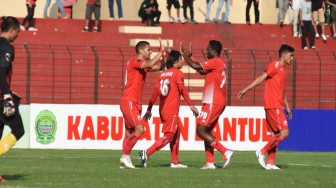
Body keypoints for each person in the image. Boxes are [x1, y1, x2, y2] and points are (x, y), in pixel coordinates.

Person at [139, 49, 199, 168]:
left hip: (163, 109)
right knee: (170, 135)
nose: (182, 62)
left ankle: (175, 162)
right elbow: (182, 90)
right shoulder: (177, 73)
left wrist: (149, 109)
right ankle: (146, 152)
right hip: (171, 110)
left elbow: (155, 93)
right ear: (176, 61)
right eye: (181, 60)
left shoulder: (162, 75)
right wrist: (191, 105)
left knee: (176, 133)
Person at [238, 44, 294, 170]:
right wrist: (246, 89)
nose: (292, 58)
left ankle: (270, 163)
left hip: (277, 105)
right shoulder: (275, 66)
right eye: (290, 55)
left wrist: (288, 107)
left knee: (275, 134)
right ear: (283, 55)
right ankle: (261, 152)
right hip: (273, 105)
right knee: (284, 132)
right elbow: (261, 78)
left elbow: (282, 91)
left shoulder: (283, 72)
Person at [180, 40, 234, 169]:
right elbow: (202, 71)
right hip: (215, 101)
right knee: (207, 132)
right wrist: (191, 56)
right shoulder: (218, 63)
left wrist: (183, 55)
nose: (206, 51)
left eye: (208, 49)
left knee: (200, 130)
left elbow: (195, 66)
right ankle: (210, 162)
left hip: (213, 101)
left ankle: (226, 151)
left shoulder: (215, 62)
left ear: (214, 51)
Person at [119, 39, 166, 169]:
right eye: (149, 50)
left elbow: (159, 67)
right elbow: (151, 63)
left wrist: (165, 55)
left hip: (136, 103)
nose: (151, 52)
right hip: (129, 101)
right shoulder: (134, 61)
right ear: (140, 51)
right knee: (140, 129)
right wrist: (161, 51)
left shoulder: (142, 66)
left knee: (129, 133)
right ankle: (125, 156)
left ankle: (124, 162)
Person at [0, 16, 26, 181]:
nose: (17, 36)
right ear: (12, 30)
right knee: (19, 129)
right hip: (1, 99)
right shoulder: (7, 48)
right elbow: (1, 71)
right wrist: (7, 95)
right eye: (17, 32)